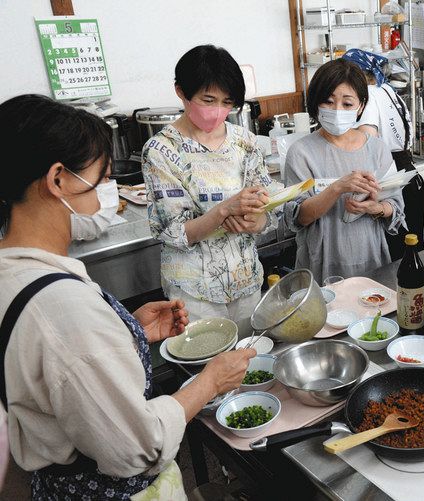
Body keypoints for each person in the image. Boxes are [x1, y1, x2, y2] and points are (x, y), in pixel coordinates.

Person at [0, 94, 256, 500]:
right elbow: (141, 447)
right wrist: (210, 382)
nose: (110, 192)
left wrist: (127, 331)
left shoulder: (12, 273)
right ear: (58, 180)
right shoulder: (63, 310)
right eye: (101, 178)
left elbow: (57, 374)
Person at [142, 45, 281, 324]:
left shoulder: (245, 142)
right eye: (208, 100)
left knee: (249, 361)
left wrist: (257, 221)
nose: (218, 111)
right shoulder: (160, 150)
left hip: (246, 280)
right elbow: (173, 232)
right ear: (181, 91)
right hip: (194, 292)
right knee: (207, 366)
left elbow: (268, 211)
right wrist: (223, 211)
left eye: (227, 102)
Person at [284, 59, 405, 282]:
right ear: (315, 103)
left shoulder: (377, 149)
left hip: (371, 258)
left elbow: (395, 207)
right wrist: (337, 188)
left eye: (347, 104)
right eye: (328, 102)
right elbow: (298, 217)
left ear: (361, 106)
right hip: (321, 263)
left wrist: (375, 208)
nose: (337, 110)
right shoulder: (301, 152)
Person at [342, 49, 424, 260]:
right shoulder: (387, 90)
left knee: (395, 259)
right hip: (410, 175)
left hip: (390, 181)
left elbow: (366, 143)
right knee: (413, 253)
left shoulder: (367, 97)